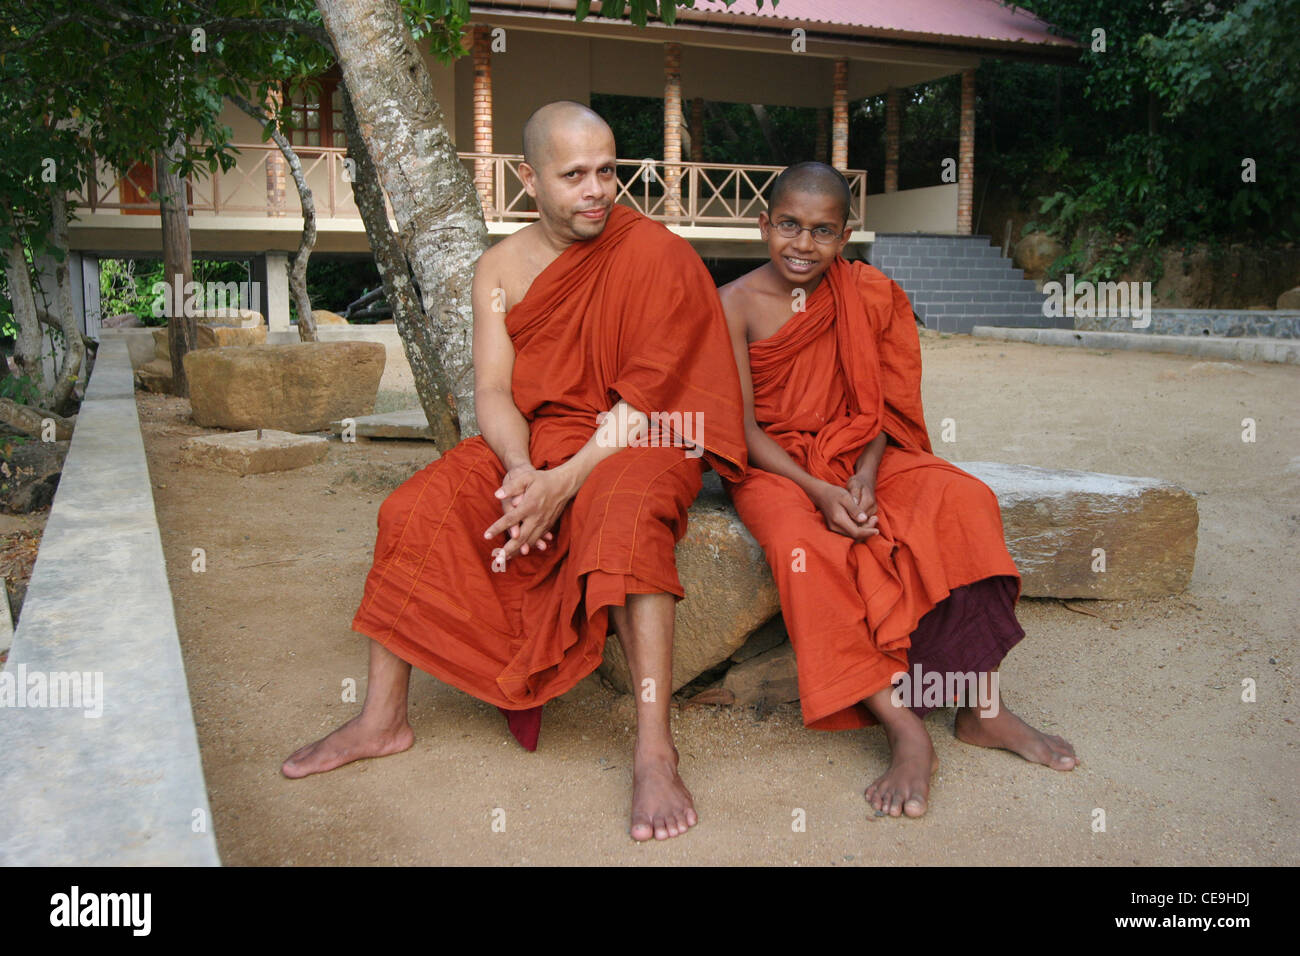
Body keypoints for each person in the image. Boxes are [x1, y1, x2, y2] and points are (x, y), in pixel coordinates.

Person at [282, 101, 747, 843]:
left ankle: (654, 748)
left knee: (622, 525)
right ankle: (381, 718)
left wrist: (570, 482)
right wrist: (525, 469)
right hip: (542, 439)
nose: (597, 190)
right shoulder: (498, 267)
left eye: (608, 171)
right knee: (415, 509)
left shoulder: (655, 252)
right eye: (574, 175)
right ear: (529, 178)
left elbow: (652, 394)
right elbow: (495, 392)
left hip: (643, 438)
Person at [717, 161, 1076, 819]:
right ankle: (903, 726)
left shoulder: (868, 294)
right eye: (789, 226)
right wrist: (819, 492)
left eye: (822, 231)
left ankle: (983, 709)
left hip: (861, 454)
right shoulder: (733, 304)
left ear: (847, 234)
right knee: (806, 546)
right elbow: (740, 431)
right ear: (763, 225)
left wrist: (863, 476)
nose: (802, 244)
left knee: (962, 500)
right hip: (777, 469)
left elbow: (881, 410)